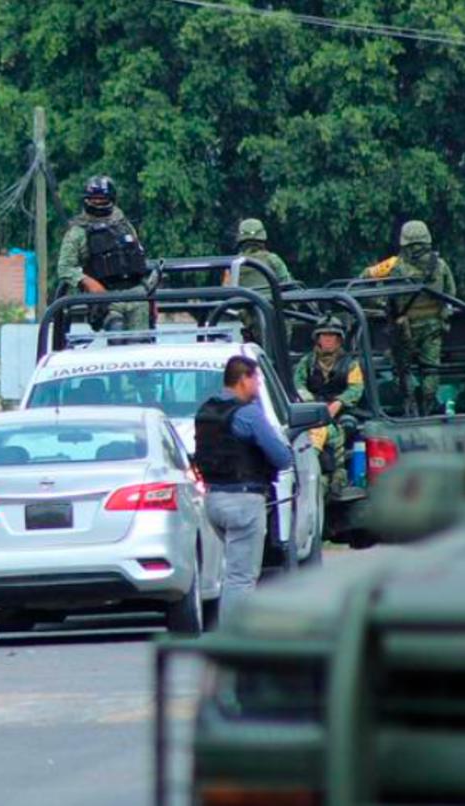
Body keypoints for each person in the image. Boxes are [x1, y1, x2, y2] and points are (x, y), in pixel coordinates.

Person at [193, 356, 294, 620]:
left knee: (232, 570)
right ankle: (235, 633)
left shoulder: (207, 411)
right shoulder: (248, 414)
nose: (258, 385)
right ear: (243, 379)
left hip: (213, 500)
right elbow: (282, 457)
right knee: (241, 577)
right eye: (256, 379)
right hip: (243, 501)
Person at [359, 220, 456, 414]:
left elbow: (364, 278)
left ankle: (410, 406)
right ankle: (425, 408)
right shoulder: (440, 265)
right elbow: (450, 294)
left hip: (404, 328)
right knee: (430, 370)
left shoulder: (393, 265)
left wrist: (381, 303)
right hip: (430, 329)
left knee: (403, 370)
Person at [54, 176, 149, 331]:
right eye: (94, 199)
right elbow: (64, 268)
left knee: (141, 341)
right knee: (116, 334)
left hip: (137, 294)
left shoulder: (124, 225)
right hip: (106, 297)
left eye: (102, 199)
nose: (98, 202)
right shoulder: (78, 231)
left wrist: (150, 295)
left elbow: (138, 260)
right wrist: (89, 283)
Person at [294, 316, 364, 490]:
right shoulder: (307, 362)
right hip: (313, 413)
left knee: (340, 429)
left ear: (339, 339)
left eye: (332, 336)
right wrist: (311, 403)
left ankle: (337, 475)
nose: (328, 339)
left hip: (340, 412)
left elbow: (356, 388)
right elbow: (298, 385)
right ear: (318, 338)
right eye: (324, 335)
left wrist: (339, 402)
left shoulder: (350, 364)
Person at [228, 218, 293, 291]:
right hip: (271, 298)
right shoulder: (272, 259)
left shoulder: (233, 263)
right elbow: (288, 283)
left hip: (243, 298)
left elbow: (227, 288)